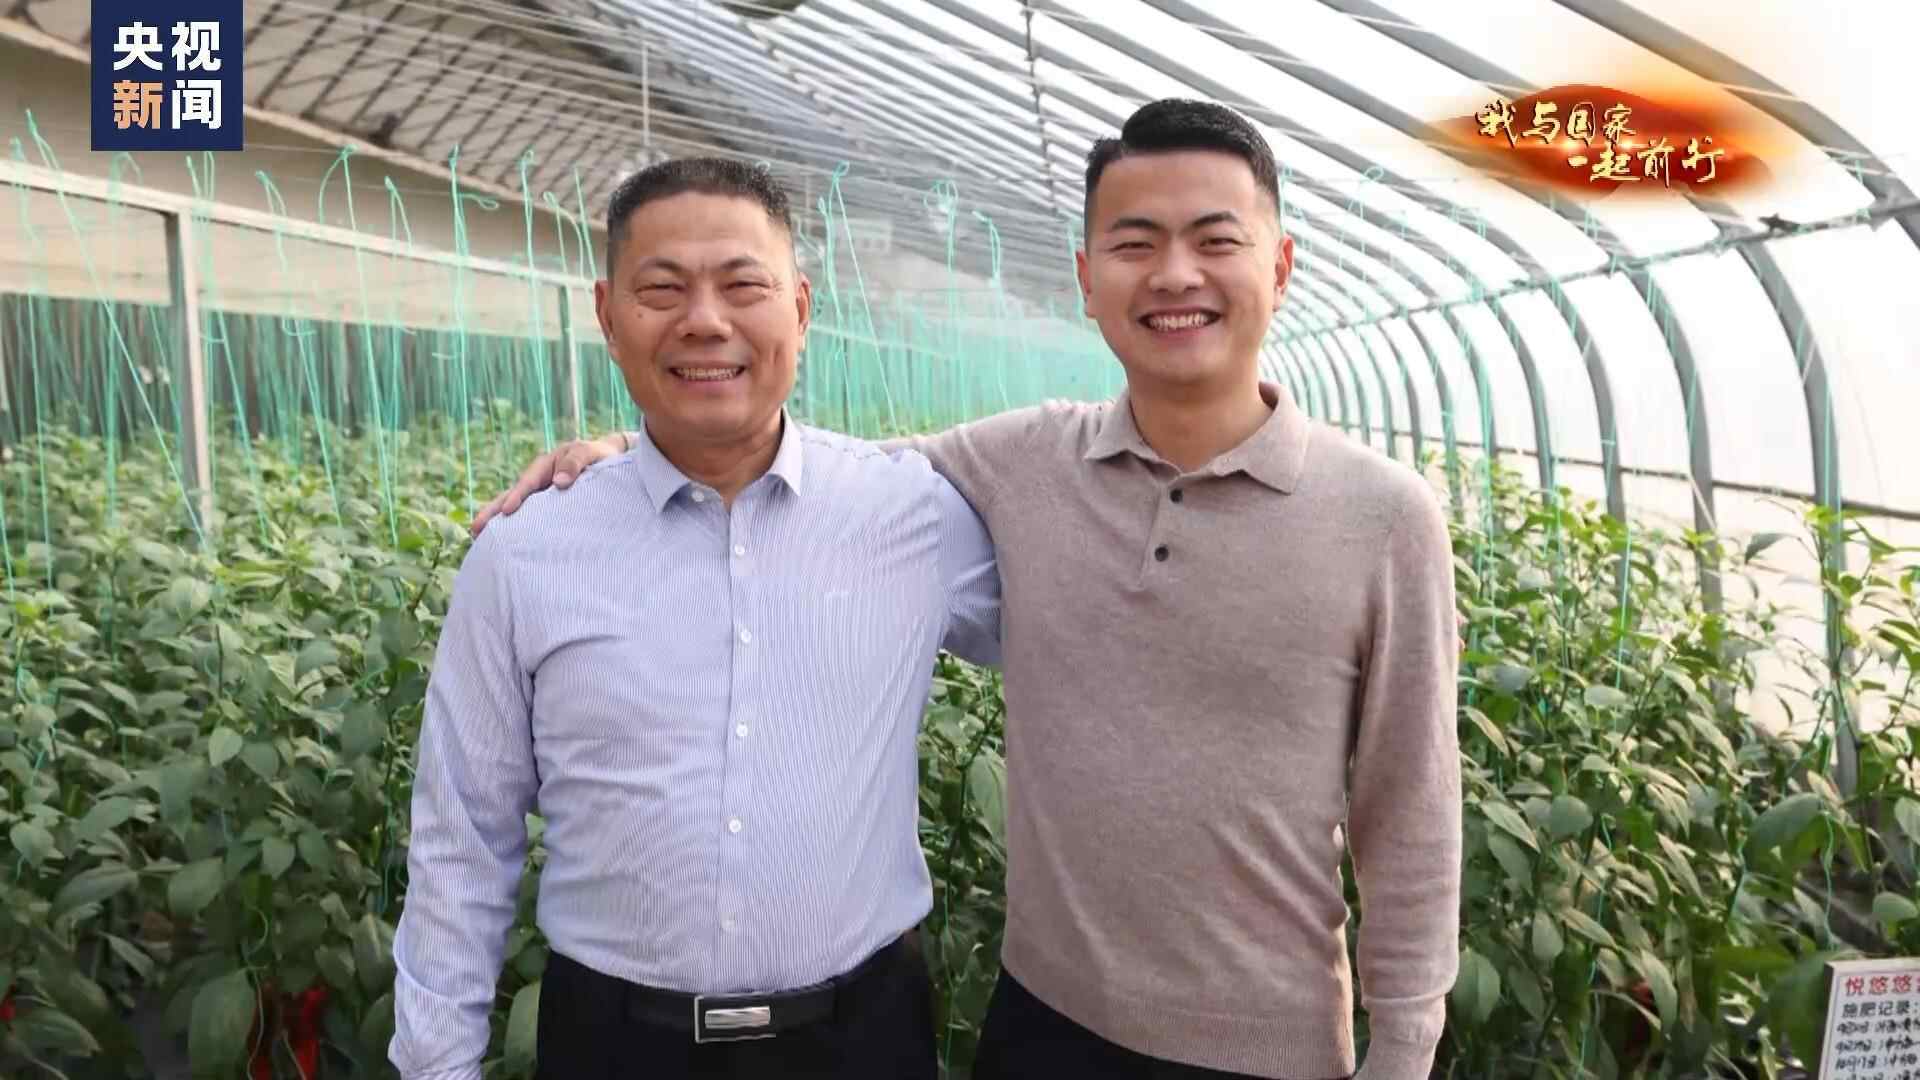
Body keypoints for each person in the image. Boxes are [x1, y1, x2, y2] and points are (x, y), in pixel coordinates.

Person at [472, 99, 1462, 1080]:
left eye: (1215, 241)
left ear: (1279, 267)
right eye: (1134, 243)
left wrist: (1406, 1049)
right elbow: (800, 472)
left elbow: (1410, 811)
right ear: (1087, 279)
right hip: (1043, 1028)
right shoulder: (1023, 463)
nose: (1173, 275)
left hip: (1269, 1049)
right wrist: (630, 454)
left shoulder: (1381, 517)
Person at [388, 156, 1002, 1080]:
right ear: (607, 316)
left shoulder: (912, 517)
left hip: (861, 1039)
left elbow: (1080, 612)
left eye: (743, 286)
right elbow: (462, 836)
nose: (705, 321)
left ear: (801, 308)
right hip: (615, 1044)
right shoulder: (526, 552)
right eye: (662, 289)